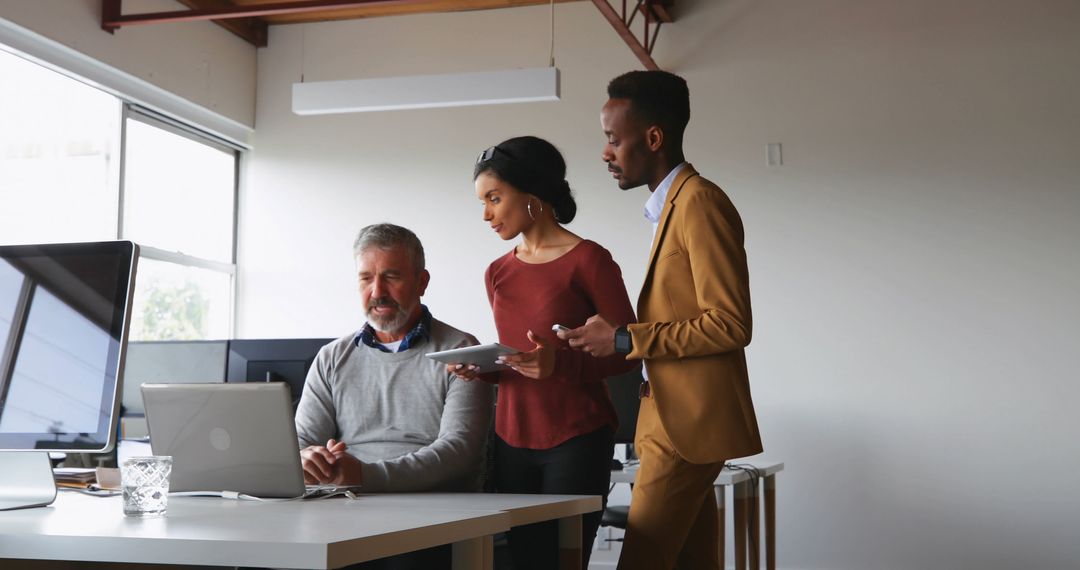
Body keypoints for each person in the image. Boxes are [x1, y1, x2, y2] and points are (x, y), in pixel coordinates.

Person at [558, 70, 764, 570]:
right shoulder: (668, 208)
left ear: (653, 138)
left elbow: (731, 323)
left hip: (684, 425)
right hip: (660, 417)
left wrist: (626, 337)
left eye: (613, 139)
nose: (605, 153)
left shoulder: (699, 203)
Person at [450, 135, 636, 570]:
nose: (486, 214)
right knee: (522, 563)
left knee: (563, 562)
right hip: (510, 438)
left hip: (576, 440)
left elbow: (631, 352)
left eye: (494, 198)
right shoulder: (497, 272)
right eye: (482, 202)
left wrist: (561, 363)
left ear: (532, 194)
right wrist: (482, 370)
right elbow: (517, 360)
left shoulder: (590, 260)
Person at [296, 223, 493, 570]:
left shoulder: (462, 351)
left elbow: (459, 453)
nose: (377, 291)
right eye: (365, 278)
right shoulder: (331, 357)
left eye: (391, 276)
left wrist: (365, 475)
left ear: (421, 282)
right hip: (343, 510)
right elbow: (299, 442)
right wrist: (306, 457)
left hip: (430, 517)